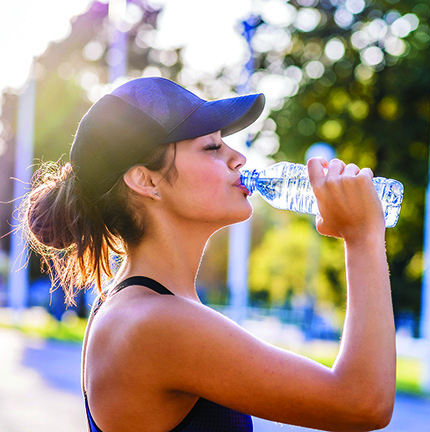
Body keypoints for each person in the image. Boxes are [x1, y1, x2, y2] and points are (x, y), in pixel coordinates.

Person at [22, 77, 396, 432]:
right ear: (145, 180)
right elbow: (362, 402)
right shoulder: (155, 323)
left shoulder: (139, 307)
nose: (239, 159)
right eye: (213, 147)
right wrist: (362, 237)